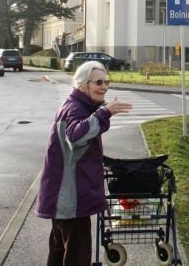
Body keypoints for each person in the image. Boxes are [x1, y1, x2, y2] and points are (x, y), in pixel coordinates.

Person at [35, 60, 132, 265]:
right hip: (70, 200)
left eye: (106, 81)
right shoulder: (76, 108)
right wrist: (105, 113)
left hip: (63, 198)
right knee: (77, 256)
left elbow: (71, 150)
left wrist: (95, 164)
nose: (104, 86)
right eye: (98, 82)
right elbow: (76, 137)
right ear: (82, 85)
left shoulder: (78, 106)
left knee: (59, 251)